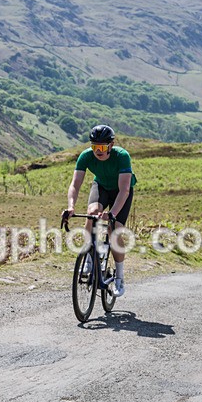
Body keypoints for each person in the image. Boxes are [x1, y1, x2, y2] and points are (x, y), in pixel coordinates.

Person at [64, 125, 136, 297]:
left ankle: (119, 277)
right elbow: (75, 185)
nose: (98, 151)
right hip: (101, 186)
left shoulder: (122, 156)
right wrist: (71, 206)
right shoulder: (86, 156)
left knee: (114, 229)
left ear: (111, 145)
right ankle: (89, 257)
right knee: (92, 213)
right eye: (95, 147)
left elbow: (124, 190)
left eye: (102, 147)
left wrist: (112, 214)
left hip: (121, 191)